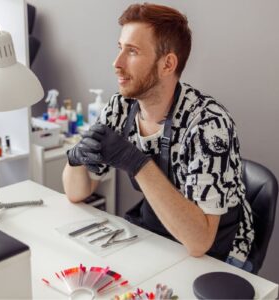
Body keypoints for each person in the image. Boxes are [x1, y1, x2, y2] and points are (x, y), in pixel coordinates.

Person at [63, 3, 254, 271]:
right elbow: (76, 192)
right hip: (159, 233)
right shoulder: (121, 107)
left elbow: (200, 242)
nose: (116, 64)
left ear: (167, 64)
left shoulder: (208, 124)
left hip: (218, 256)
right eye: (120, 48)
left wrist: (135, 162)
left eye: (132, 51)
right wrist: (75, 157)